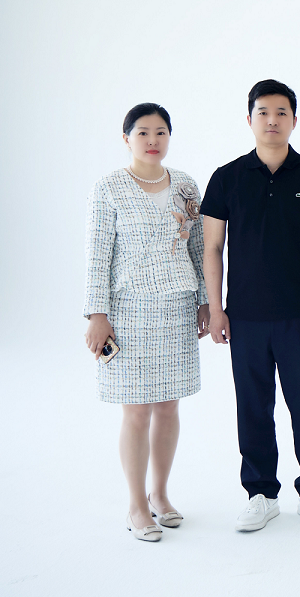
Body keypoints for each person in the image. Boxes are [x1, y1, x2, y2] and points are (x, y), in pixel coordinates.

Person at [201, 79, 300, 532]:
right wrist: (216, 309)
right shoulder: (226, 177)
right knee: (253, 407)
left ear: (294, 120)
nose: (272, 120)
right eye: (263, 112)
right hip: (244, 316)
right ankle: (260, 493)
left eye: (281, 112)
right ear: (249, 119)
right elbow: (212, 248)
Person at [84, 103, 209, 542]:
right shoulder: (109, 187)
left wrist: (206, 302)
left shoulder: (186, 185)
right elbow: (97, 254)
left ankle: (160, 494)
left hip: (177, 307)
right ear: (127, 139)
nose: (152, 140)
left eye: (160, 132)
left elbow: (199, 249)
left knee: (169, 406)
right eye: (142, 132)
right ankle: (136, 505)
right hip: (128, 311)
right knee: (136, 410)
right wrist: (97, 314)